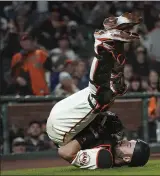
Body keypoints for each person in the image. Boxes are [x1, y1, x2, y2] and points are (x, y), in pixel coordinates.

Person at [46, 12, 150, 169]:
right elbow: (103, 119)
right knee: (113, 91)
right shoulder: (116, 134)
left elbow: (65, 152)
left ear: (127, 158)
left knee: (99, 101)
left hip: (62, 131)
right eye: (129, 140)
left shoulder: (104, 157)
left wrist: (94, 133)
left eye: (129, 145)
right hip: (70, 115)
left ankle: (103, 46)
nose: (125, 140)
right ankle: (115, 38)